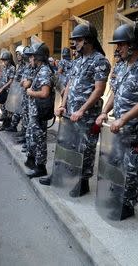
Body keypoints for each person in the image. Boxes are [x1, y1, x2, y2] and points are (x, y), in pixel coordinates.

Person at [96, 24, 138, 220]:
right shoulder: (121, 66)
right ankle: (116, 196)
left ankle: (127, 204)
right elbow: (115, 91)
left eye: (121, 45)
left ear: (133, 45)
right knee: (116, 163)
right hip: (119, 129)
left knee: (133, 169)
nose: (118, 49)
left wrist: (124, 118)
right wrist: (105, 111)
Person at [41, 22, 110, 198]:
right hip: (70, 111)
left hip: (87, 115)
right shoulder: (77, 61)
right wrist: (63, 104)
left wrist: (82, 110)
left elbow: (99, 90)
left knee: (86, 147)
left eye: (78, 40)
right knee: (66, 143)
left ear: (88, 40)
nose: (75, 44)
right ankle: (60, 174)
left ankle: (83, 182)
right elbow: (69, 85)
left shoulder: (100, 61)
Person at [24, 42, 54, 179]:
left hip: (40, 112)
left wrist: (30, 92)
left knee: (40, 140)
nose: (30, 59)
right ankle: (34, 162)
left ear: (39, 57)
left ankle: (41, 168)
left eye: (32, 56)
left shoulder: (44, 71)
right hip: (35, 112)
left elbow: (44, 93)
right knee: (33, 137)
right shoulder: (39, 69)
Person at [7, 46, 29, 133]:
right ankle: (13, 126)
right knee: (17, 110)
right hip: (18, 90)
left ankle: (24, 131)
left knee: (23, 112)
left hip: (24, 91)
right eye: (17, 54)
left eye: (19, 54)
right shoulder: (19, 65)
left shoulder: (27, 66)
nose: (18, 56)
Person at [0, 51, 16, 131]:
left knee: (8, 109)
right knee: (3, 108)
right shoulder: (5, 68)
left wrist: (2, 88)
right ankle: (5, 124)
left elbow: (11, 81)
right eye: (3, 60)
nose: (4, 62)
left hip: (9, 91)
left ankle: (7, 125)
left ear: (9, 59)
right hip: (4, 90)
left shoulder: (12, 68)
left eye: (5, 60)